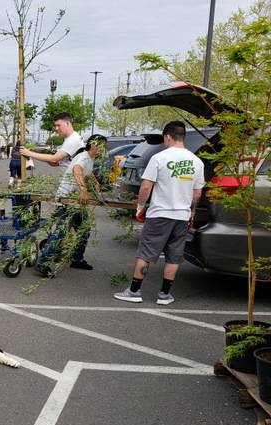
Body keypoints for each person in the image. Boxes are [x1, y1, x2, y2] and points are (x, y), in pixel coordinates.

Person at [114, 121, 204, 305]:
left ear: (168, 136)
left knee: (146, 253)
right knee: (174, 256)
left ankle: (134, 291)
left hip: (160, 214)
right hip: (182, 216)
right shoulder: (197, 162)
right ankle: (164, 294)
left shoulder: (159, 158)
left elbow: (146, 186)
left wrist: (140, 207)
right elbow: (197, 193)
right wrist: (192, 213)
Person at [35, 135, 106, 276]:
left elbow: (87, 171)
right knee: (60, 232)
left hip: (75, 203)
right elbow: (77, 170)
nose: (104, 149)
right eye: (102, 146)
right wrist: (84, 190)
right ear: (93, 145)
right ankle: (43, 262)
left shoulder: (90, 159)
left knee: (84, 230)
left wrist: (95, 181)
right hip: (66, 201)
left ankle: (77, 259)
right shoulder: (84, 157)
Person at [20, 112, 85, 169]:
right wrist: (54, 161)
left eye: (59, 125)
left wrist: (29, 153)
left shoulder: (73, 140)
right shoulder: (70, 138)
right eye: (55, 126)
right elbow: (57, 162)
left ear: (67, 123)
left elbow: (54, 159)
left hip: (71, 181)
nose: (56, 128)